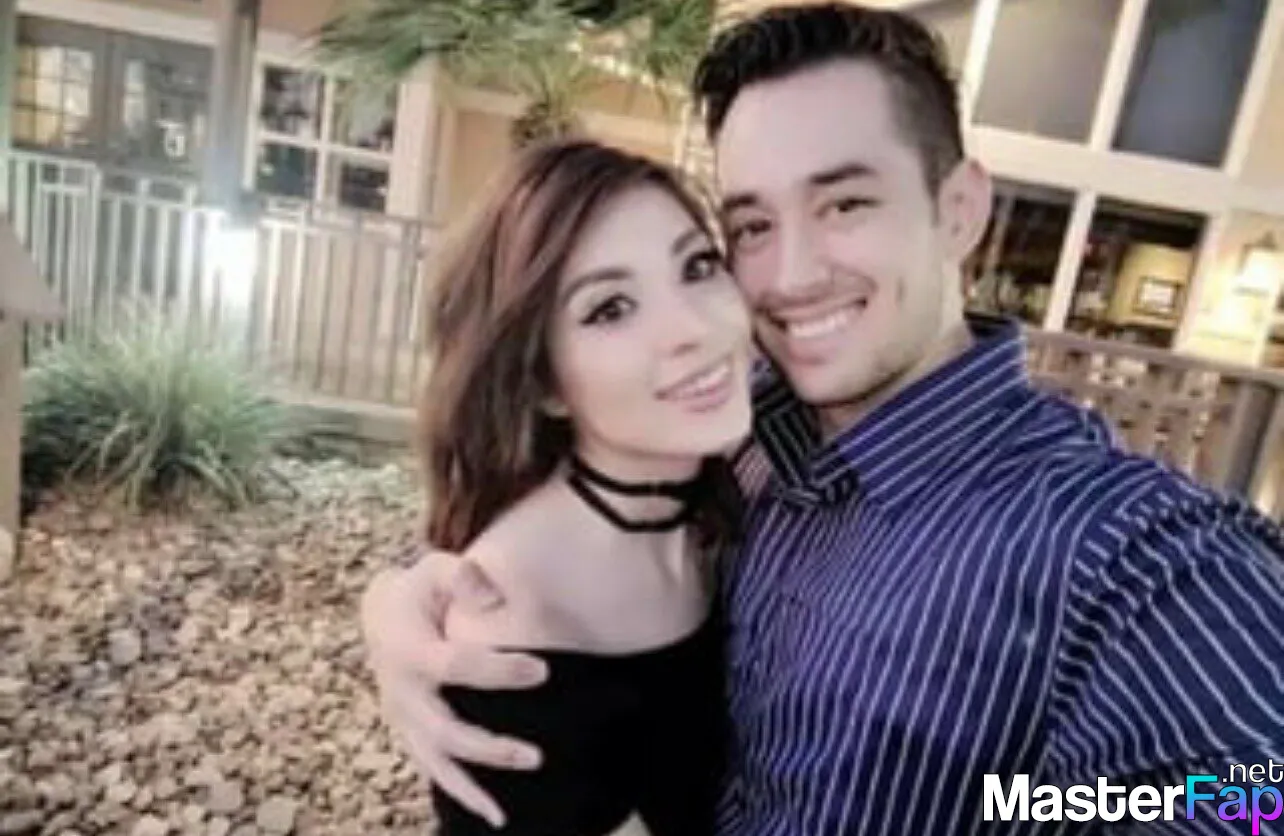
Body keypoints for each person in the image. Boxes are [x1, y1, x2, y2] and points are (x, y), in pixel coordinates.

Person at [363, 4, 1284, 833]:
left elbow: (1248, 798)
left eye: (845, 203)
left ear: (960, 210)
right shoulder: (741, 427)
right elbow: (574, 504)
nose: (792, 277)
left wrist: (1013, 805)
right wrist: (409, 602)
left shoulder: (1141, 558)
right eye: (752, 227)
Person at [404, 137, 754, 835]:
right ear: (544, 384)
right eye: (611, 308)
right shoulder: (516, 618)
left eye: (697, 266)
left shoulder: (714, 491)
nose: (692, 329)